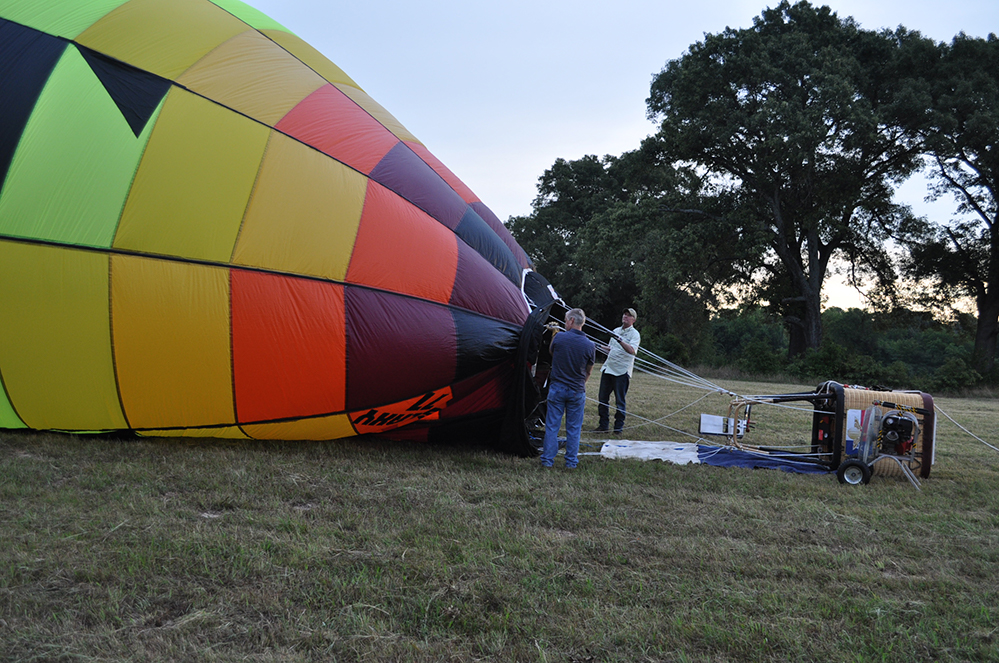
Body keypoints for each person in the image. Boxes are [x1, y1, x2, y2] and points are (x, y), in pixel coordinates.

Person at [540, 308, 595, 469]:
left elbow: (551, 352)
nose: (564, 323)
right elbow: (589, 370)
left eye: (565, 320)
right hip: (577, 389)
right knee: (574, 429)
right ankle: (571, 462)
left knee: (552, 427)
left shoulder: (559, 338)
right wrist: (582, 383)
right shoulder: (590, 345)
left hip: (557, 388)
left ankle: (547, 461)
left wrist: (554, 333)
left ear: (571, 321)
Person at [594, 308, 640, 434]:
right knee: (602, 399)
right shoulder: (615, 331)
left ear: (633, 320)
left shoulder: (635, 334)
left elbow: (631, 350)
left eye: (629, 315)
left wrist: (620, 340)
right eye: (624, 314)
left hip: (622, 371)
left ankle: (618, 428)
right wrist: (596, 346)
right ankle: (603, 426)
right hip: (608, 368)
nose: (625, 316)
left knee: (620, 401)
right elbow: (610, 349)